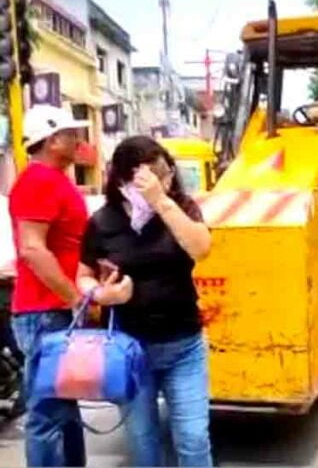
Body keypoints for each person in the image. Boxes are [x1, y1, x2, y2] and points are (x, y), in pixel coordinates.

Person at [10, 104, 133, 467]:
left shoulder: (56, 180)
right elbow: (33, 249)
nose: (78, 139)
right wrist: (74, 297)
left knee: (64, 408)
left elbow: (66, 244)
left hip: (56, 309)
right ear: (51, 140)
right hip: (45, 311)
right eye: (70, 133)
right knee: (48, 411)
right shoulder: (38, 181)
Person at [80, 136, 213, 466]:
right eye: (150, 175)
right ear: (124, 179)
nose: (161, 181)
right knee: (143, 443)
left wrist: (161, 202)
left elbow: (201, 247)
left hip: (184, 345)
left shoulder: (180, 206)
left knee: (194, 439)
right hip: (129, 350)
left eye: (165, 173)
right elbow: (83, 275)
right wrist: (101, 294)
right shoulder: (103, 221)